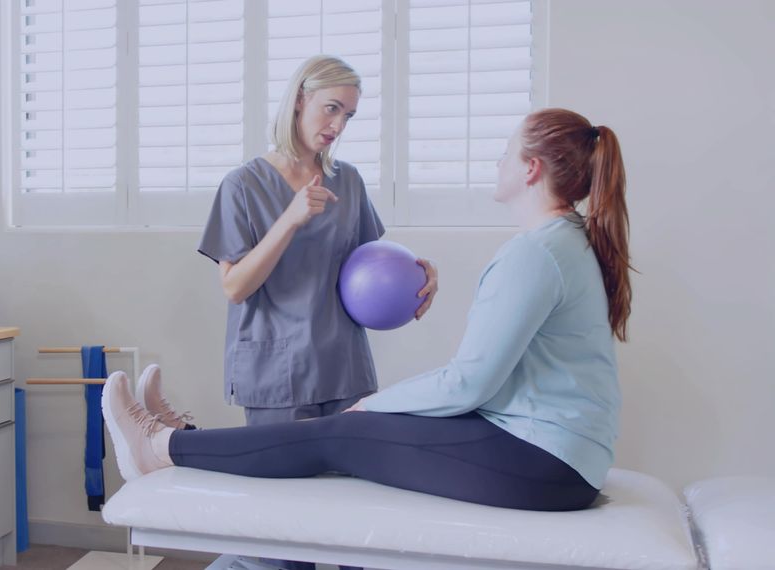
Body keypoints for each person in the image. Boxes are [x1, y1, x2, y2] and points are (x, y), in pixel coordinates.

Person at [105, 107, 633, 514]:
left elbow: (469, 385)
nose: (498, 162)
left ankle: (160, 446)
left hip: (543, 460)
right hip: (551, 453)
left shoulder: (536, 252)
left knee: (338, 433)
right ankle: (184, 441)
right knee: (349, 433)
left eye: (506, 153)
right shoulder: (564, 243)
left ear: (532, 169)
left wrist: (373, 405)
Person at [197, 54, 438, 428]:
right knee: (284, 486)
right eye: (331, 108)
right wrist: (290, 219)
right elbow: (234, 287)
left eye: (349, 116)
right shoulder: (242, 186)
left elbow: (369, 271)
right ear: (299, 99)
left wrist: (419, 278)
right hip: (277, 372)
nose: (338, 125)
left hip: (343, 367)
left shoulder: (348, 181)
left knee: (348, 485)